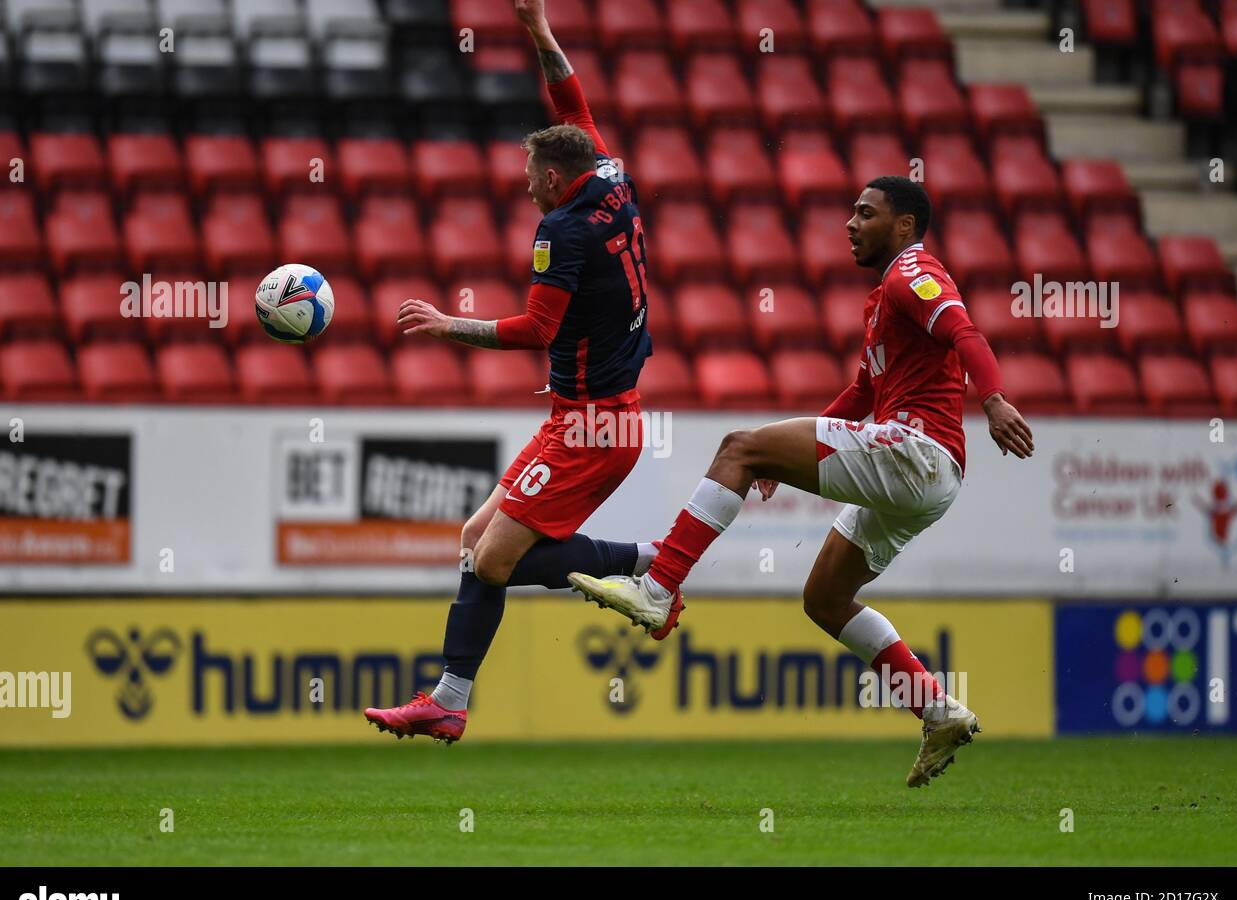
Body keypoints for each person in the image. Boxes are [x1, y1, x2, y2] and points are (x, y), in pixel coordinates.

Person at [569, 177, 1035, 787]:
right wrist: (778, 459)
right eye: (850, 211)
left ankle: (658, 589)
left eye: (865, 213)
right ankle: (936, 709)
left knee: (737, 447)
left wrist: (995, 400)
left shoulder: (913, 271)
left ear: (903, 226)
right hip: (925, 476)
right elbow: (865, 395)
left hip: (917, 452)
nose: (849, 222)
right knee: (823, 599)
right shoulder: (885, 300)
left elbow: (964, 332)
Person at [364, 0, 656, 743]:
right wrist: (538, 28)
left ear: (556, 178)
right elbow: (571, 99)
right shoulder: (611, 174)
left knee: (493, 559)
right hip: (583, 416)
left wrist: (445, 325)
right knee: (476, 540)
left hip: (595, 424)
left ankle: (648, 563)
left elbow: (536, 329)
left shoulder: (561, 229)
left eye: (531, 176)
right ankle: (450, 699)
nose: (525, 186)